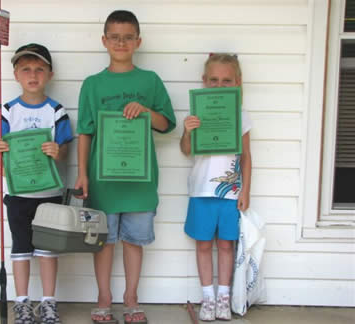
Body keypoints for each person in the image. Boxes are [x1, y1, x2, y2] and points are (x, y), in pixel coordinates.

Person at [74, 10, 176, 324]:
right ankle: (103, 299)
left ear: (138, 41)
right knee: (102, 243)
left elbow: (167, 124)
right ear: (104, 41)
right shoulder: (92, 84)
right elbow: (85, 133)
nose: (121, 42)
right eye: (115, 37)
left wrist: (146, 110)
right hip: (104, 182)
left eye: (128, 37)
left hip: (139, 183)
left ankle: (131, 299)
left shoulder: (150, 81)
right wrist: (82, 173)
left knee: (134, 241)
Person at [0, 43, 74, 324]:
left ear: (50, 74)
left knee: (47, 250)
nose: (32, 75)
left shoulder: (56, 111)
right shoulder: (8, 111)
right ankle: (22, 302)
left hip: (49, 193)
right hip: (18, 194)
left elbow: (65, 151)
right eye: (26, 69)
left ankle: (48, 302)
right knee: (21, 248)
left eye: (39, 69)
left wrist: (56, 151)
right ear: (15, 75)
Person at [180, 53, 252, 321]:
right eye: (214, 80)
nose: (219, 85)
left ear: (237, 82)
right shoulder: (197, 113)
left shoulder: (241, 116)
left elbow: (246, 157)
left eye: (226, 80)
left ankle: (224, 296)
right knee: (202, 245)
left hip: (229, 193)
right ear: (204, 81)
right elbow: (186, 151)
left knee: (225, 245)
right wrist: (188, 132)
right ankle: (207, 297)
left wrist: (245, 191)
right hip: (201, 191)